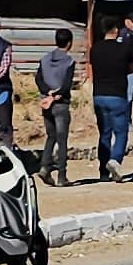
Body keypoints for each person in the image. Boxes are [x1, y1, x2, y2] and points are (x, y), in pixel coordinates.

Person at [91, 14, 133, 178]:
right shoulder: (123, 49)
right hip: (117, 95)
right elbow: (132, 66)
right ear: (115, 30)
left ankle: (103, 170)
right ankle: (115, 159)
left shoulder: (95, 49)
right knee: (121, 132)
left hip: (99, 95)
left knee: (104, 133)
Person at [35, 25, 79, 185]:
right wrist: (56, 94)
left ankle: (45, 168)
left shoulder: (45, 58)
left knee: (50, 136)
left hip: (45, 102)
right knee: (62, 139)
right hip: (61, 103)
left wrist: (47, 93)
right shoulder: (69, 61)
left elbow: (38, 79)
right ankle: (61, 175)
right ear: (69, 43)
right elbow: (67, 84)